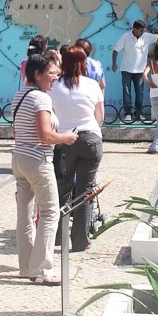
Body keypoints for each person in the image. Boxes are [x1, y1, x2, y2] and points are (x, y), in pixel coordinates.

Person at [11, 54, 77, 284]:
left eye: (57, 75)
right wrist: (66, 138)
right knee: (50, 213)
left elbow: (18, 130)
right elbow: (45, 135)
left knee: (25, 216)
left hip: (19, 158)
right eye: (51, 74)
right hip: (37, 160)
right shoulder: (41, 99)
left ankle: (27, 267)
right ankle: (42, 270)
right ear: (37, 74)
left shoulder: (20, 95)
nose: (55, 79)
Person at [49, 45, 104, 252]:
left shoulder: (55, 86)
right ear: (83, 63)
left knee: (62, 190)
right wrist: (91, 132)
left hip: (63, 140)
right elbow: (100, 116)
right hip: (90, 138)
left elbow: (50, 113)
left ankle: (57, 236)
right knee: (85, 192)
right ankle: (80, 241)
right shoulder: (92, 85)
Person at [112, 21, 158, 121]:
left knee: (139, 93)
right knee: (127, 92)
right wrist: (114, 63)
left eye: (143, 30)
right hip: (126, 70)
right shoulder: (125, 37)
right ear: (135, 29)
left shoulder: (146, 36)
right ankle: (128, 113)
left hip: (140, 71)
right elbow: (116, 50)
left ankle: (138, 113)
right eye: (141, 30)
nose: (142, 32)